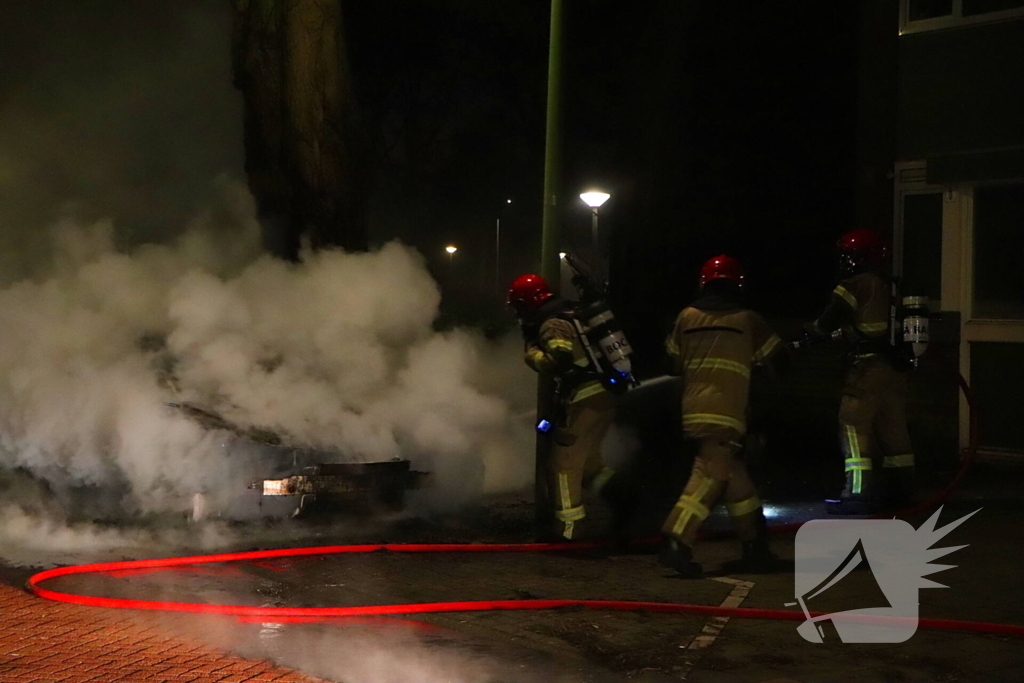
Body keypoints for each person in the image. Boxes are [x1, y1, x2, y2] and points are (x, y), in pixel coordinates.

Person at [659, 255, 783, 577]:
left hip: (694, 409)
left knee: (734, 477)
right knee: (709, 474)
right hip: (729, 412)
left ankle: (755, 546)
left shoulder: (686, 317)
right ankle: (677, 539)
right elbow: (775, 363)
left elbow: (672, 362)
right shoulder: (748, 320)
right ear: (737, 283)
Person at [508, 273, 631, 542]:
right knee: (589, 465)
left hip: (584, 398)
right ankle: (626, 497)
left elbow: (560, 359)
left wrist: (534, 356)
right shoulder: (571, 313)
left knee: (563, 465)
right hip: (604, 396)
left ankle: (569, 532)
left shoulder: (552, 323)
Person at [802, 228, 914, 514]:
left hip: (866, 369)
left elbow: (827, 322)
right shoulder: (891, 285)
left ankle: (856, 496)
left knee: (852, 427)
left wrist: (811, 333)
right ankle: (901, 493)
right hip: (894, 369)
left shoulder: (854, 285)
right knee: (894, 431)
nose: (847, 261)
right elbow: (869, 325)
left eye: (851, 255)